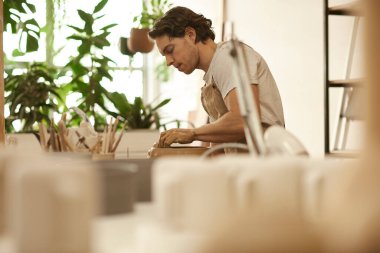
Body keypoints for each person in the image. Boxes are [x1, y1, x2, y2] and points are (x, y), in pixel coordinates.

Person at [149, 6, 285, 148]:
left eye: (170, 50)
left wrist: (192, 133)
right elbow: (220, 146)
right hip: (244, 164)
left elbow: (243, 120)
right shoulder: (211, 76)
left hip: (267, 163)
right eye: (164, 55)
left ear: (190, 34)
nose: (168, 61)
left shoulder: (227, 57)